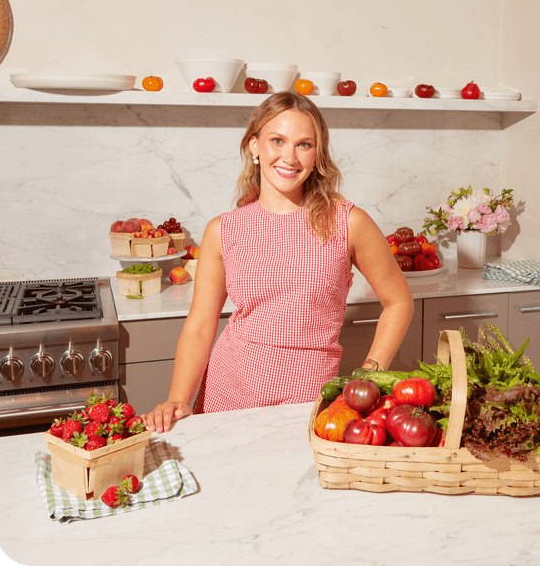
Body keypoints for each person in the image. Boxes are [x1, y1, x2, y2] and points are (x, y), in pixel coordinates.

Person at [143, 91, 414, 433]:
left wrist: (369, 377)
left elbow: (399, 301)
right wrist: (178, 399)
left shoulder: (348, 223)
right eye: (277, 140)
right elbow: (200, 325)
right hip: (228, 394)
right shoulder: (223, 230)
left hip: (307, 400)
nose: (290, 156)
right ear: (254, 146)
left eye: (304, 144)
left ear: (318, 154)